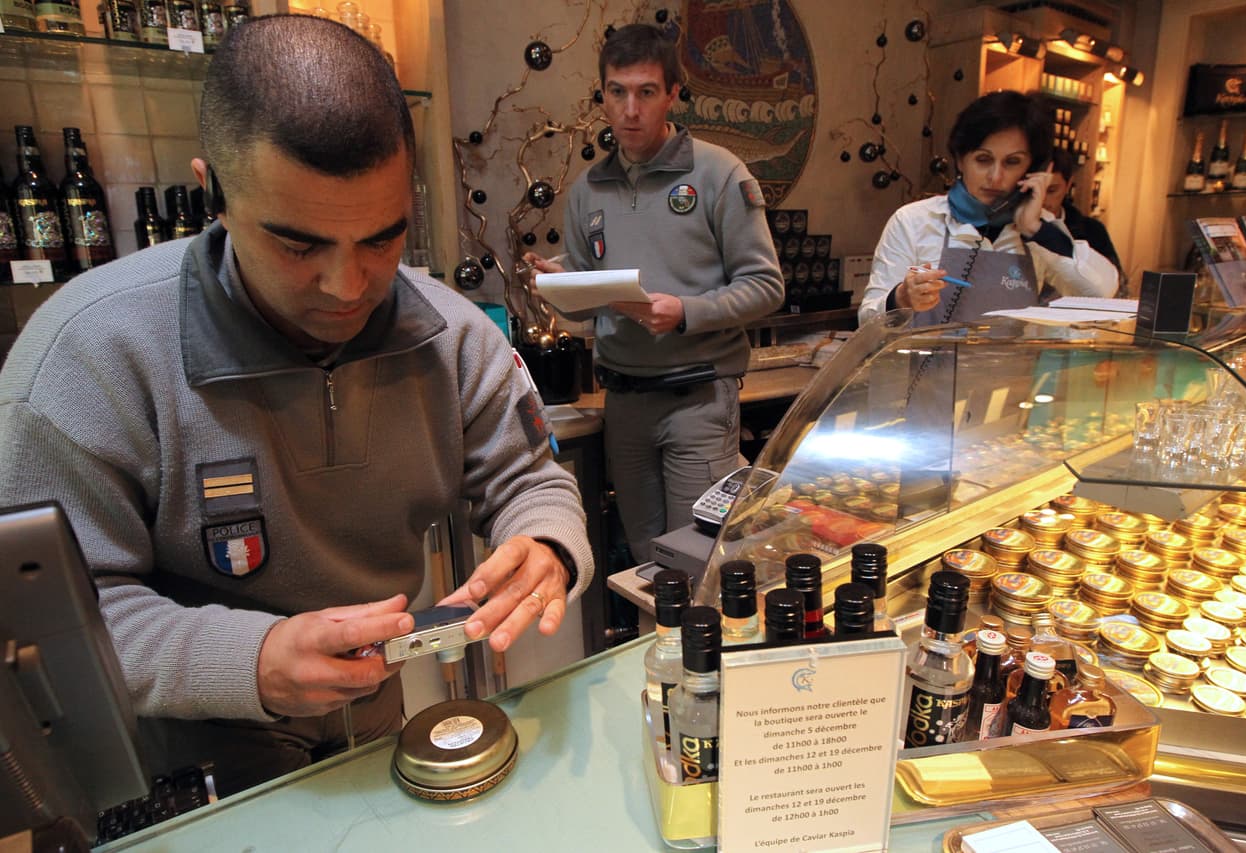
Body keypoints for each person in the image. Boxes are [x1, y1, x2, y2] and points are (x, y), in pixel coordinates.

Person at [0, 15, 592, 796]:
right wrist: (248, 662)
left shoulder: (453, 337)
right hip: (179, 781)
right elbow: (50, 624)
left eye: (381, 239)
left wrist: (546, 545)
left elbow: (532, 479)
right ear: (212, 191)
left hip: (373, 741)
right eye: (298, 245)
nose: (348, 287)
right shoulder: (86, 353)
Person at [524, 24, 784, 563]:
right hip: (623, 401)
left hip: (698, 400)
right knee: (644, 559)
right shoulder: (588, 189)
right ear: (602, 96)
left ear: (671, 94)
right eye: (617, 92)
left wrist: (686, 312)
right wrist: (557, 284)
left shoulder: (718, 173)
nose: (630, 110)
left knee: (697, 558)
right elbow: (588, 305)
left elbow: (766, 286)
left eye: (646, 92)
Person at [860, 90, 1118, 327]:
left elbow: (1101, 293)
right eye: (983, 159)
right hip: (927, 364)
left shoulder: (1039, 230)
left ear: (1033, 169)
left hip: (1011, 365)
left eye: (1012, 162)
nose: (996, 177)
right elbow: (868, 320)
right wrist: (901, 298)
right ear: (960, 160)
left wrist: (1036, 230)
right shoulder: (914, 220)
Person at [1043, 148, 1124, 288]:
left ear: (1068, 185)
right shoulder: (1013, 228)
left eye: (1051, 190)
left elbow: (1119, 287)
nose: (1042, 200)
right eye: (1034, 190)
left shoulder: (1093, 231)